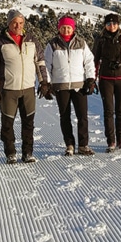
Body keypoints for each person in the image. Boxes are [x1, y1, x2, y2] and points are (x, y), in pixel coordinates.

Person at [0, 9, 49, 164]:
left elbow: (39, 62)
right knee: (7, 124)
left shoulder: (32, 41)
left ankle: (28, 153)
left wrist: (43, 82)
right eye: (14, 22)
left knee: (28, 124)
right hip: (8, 89)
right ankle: (10, 153)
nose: (18, 25)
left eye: (20, 23)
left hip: (28, 89)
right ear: (8, 24)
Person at [44, 15, 96, 156]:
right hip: (61, 86)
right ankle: (70, 145)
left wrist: (91, 78)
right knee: (64, 117)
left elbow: (89, 61)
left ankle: (83, 145)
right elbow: (46, 65)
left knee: (82, 116)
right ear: (59, 28)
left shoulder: (81, 43)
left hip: (79, 85)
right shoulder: (52, 45)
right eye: (63, 27)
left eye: (69, 27)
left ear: (73, 28)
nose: (66, 30)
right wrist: (47, 83)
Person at [92, 13, 121, 153]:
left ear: (118, 25)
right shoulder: (100, 40)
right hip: (106, 80)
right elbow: (94, 60)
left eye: (114, 24)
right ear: (105, 25)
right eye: (108, 24)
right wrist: (92, 79)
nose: (111, 26)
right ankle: (111, 141)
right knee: (108, 111)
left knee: (120, 111)